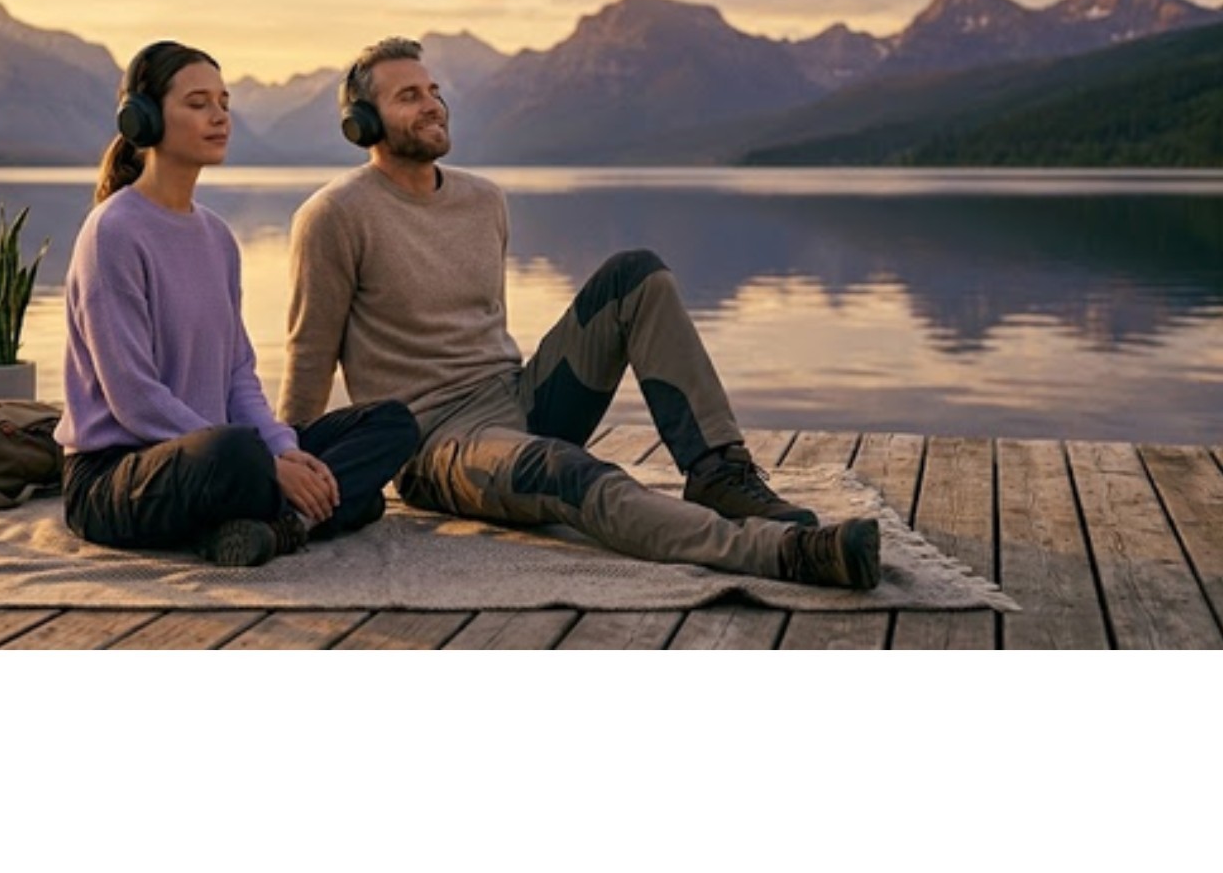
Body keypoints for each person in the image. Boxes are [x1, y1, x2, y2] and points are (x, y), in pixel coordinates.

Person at [277, 36, 881, 589]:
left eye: (435, 91)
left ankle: (718, 471)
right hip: (438, 444)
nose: (433, 105)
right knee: (565, 468)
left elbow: (482, 328)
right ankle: (781, 551)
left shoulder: (483, 201)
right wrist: (289, 465)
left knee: (635, 274)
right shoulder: (334, 216)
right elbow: (310, 354)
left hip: (516, 397)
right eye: (409, 96)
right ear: (363, 123)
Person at [55, 40, 420, 567]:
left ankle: (279, 525)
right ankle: (311, 507)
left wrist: (285, 451)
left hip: (215, 453)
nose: (219, 117)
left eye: (224, 103)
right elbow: (134, 399)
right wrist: (268, 464)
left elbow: (238, 375)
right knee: (245, 455)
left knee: (391, 424)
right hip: (118, 475)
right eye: (198, 103)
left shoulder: (218, 237)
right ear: (144, 118)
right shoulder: (113, 231)